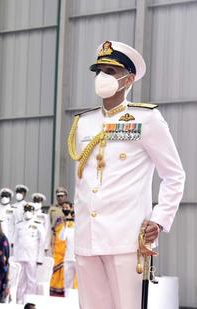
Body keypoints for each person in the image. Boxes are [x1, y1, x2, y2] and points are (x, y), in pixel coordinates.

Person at [68, 41, 185, 309]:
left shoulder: (146, 119)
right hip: (88, 237)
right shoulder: (83, 122)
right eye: (99, 70)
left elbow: (174, 174)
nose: (102, 77)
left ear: (128, 79)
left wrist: (160, 219)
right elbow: (84, 181)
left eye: (110, 71)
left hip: (125, 236)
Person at [13, 204, 45, 304]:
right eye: (26, 210)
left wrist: (40, 258)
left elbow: (42, 243)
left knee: (31, 279)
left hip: (32, 256)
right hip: (20, 256)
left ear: (33, 212)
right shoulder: (19, 225)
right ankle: (19, 300)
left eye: (29, 210)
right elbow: (15, 242)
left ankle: (30, 301)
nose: (27, 212)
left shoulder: (38, 224)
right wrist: (14, 257)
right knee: (20, 279)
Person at [49, 201, 76, 296]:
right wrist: (65, 224)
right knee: (67, 282)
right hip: (68, 258)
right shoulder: (68, 228)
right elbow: (61, 237)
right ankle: (67, 298)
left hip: (78, 258)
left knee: (79, 282)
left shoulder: (80, 228)